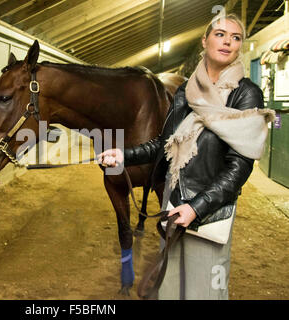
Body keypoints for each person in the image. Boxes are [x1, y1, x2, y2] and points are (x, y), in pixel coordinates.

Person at [98, 13, 274, 299]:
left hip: (209, 212)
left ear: (240, 45)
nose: (228, 41)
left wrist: (197, 207)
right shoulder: (185, 92)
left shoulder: (246, 95)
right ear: (205, 41)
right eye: (220, 34)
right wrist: (124, 155)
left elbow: (239, 168)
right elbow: (164, 143)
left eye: (236, 37)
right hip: (175, 202)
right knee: (169, 288)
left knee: (204, 291)